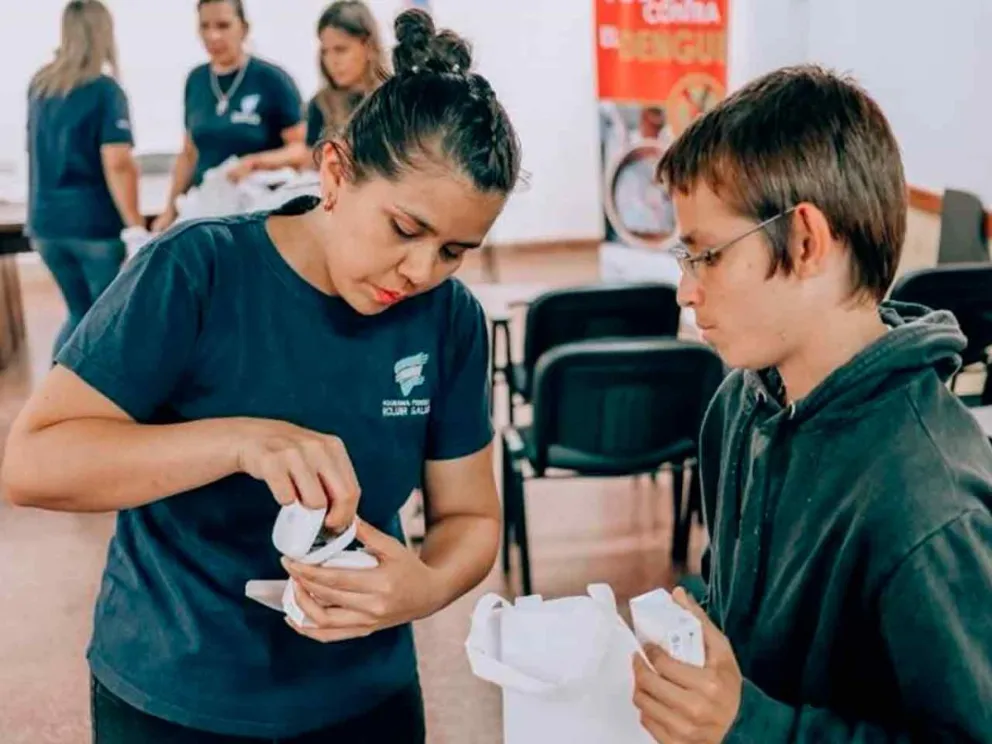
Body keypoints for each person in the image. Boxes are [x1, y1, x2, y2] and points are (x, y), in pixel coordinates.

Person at [2, 9, 520, 743]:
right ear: (336, 173)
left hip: (362, 699)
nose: (420, 271)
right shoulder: (197, 271)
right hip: (176, 693)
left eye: (454, 251)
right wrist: (242, 441)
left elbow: (470, 517)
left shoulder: (448, 319)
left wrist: (425, 585)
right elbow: (31, 464)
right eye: (406, 230)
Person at [630, 65, 992, 743]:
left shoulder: (929, 504)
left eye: (706, 255)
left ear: (805, 241)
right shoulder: (739, 402)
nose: (685, 290)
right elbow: (735, 600)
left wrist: (748, 726)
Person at [26, 0, 143, 360]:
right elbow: (118, 163)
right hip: (91, 228)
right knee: (108, 323)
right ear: (103, 34)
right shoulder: (105, 91)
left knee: (80, 314)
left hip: (45, 225)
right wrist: (135, 225)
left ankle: (55, 396)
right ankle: (94, 406)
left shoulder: (41, 85)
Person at [151, 0, 306, 232]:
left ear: (243, 28)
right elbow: (189, 154)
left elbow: (299, 150)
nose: (213, 36)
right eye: (205, 26)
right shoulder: (196, 80)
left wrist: (254, 163)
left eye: (223, 26)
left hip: (256, 211)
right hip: (206, 209)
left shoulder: (273, 80)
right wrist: (169, 211)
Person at [305, 1, 388, 151]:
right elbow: (310, 158)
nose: (332, 61)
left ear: (368, 46)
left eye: (340, 50)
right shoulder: (320, 104)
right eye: (325, 51)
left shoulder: (392, 100)